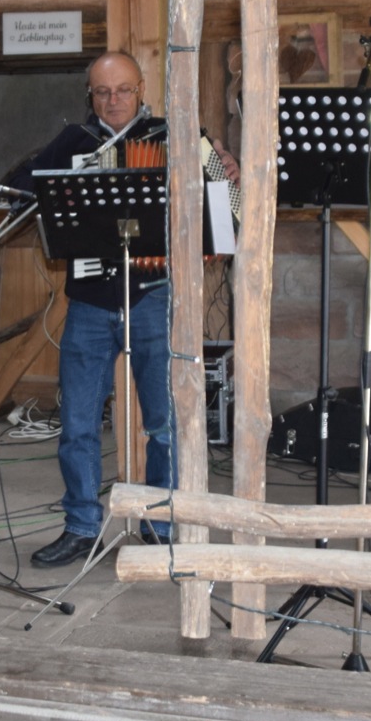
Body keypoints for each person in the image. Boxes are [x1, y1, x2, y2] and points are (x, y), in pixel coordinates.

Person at [13, 52, 236, 568]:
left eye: (123, 90)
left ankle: (161, 522)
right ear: (89, 96)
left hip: (154, 296)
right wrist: (40, 189)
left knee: (164, 423)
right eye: (101, 92)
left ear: (141, 91)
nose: (113, 101)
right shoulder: (75, 143)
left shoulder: (178, 135)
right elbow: (25, 191)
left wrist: (227, 177)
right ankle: (81, 526)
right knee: (78, 424)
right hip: (90, 302)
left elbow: (231, 208)